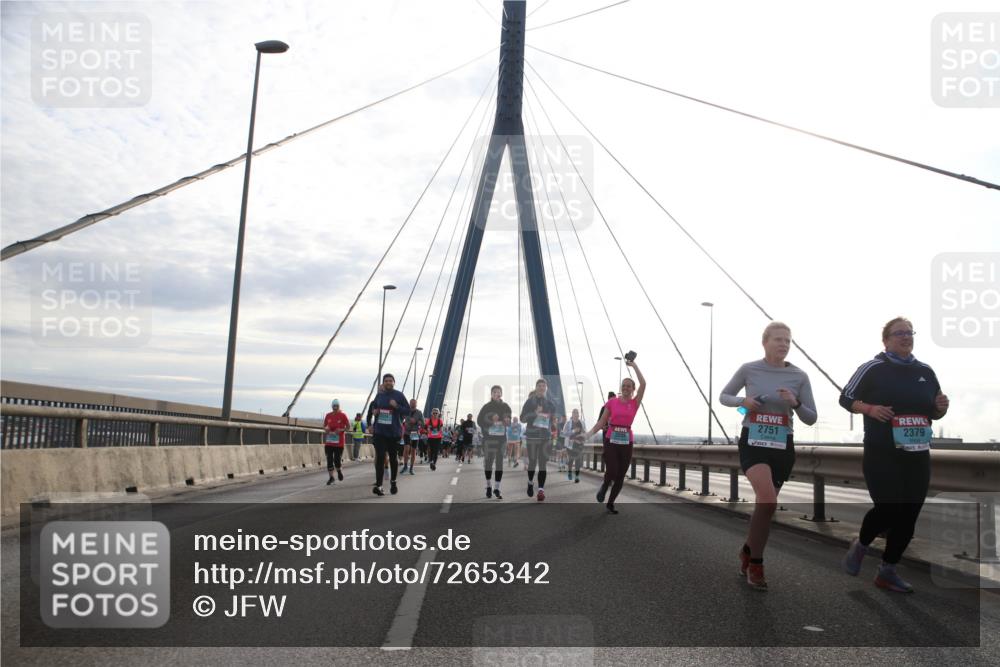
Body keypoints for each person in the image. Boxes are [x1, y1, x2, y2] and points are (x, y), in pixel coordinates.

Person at [839, 317, 948, 594]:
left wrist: (940, 408)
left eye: (910, 333)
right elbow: (846, 398)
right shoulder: (872, 368)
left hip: (917, 453)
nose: (906, 337)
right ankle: (861, 545)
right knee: (889, 508)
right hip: (882, 452)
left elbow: (934, 411)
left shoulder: (925, 371)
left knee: (909, 514)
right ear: (886, 340)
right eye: (899, 333)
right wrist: (869, 409)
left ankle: (888, 571)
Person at [719, 321, 817, 590]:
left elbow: (811, 417)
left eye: (788, 340)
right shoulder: (749, 369)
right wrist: (743, 402)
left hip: (782, 445)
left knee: (765, 507)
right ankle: (756, 563)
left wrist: (795, 403)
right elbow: (724, 396)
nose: (784, 344)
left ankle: (747, 551)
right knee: (768, 500)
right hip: (753, 442)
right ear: (765, 342)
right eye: (778, 339)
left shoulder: (799, 376)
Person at [585, 361, 646, 514]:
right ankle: (605, 485)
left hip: (626, 441)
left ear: (633, 389)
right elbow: (601, 422)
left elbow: (644, 384)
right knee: (612, 469)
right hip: (611, 439)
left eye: (628, 386)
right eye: (623, 385)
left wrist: (634, 365)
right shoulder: (612, 402)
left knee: (620, 475)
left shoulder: (635, 403)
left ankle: (610, 503)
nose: (625, 388)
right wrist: (587, 435)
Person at [368, 374, 410, 496]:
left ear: (394, 382)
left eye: (390, 381)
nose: (388, 382)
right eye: (386, 381)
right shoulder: (379, 395)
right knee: (380, 457)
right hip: (380, 432)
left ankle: (393, 482)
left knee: (393, 458)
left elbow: (407, 411)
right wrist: (374, 412)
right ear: (383, 382)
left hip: (393, 432)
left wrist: (396, 406)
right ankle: (379, 485)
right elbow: (373, 407)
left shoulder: (399, 395)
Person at [520, 378, 558, 501]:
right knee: (532, 462)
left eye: (543, 386)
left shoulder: (550, 404)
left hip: (545, 437)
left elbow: (553, 420)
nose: (541, 388)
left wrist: (553, 424)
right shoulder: (529, 402)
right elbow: (522, 418)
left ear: (546, 388)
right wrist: (534, 413)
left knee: (542, 464)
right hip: (532, 436)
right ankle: (530, 482)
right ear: (536, 387)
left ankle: (541, 490)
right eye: (539, 386)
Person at [477, 385, 512, 499]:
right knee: (488, 463)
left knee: (499, 463)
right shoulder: (486, 407)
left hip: (501, 439)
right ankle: (488, 486)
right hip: (489, 439)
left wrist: (507, 421)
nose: (497, 394)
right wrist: (490, 419)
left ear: (501, 394)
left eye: (499, 392)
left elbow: (509, 422)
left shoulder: (506, 407)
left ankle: (497, 488)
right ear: (491, 395)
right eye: (494, 392)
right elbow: (479, 421)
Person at [323, 399, 350, 485]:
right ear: (332, 406)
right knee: (329, 460)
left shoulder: (343, 415)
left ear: (339, 406)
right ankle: (331, 478)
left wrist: (341, 430)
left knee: (337, 460)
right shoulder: (328, 415)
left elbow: (348, 427)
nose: (335, 407)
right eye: (334, 406)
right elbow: (325, 426)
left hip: (339, 443)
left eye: (337, 406)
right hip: (329, 442)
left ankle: (339, 471)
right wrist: (326, 429)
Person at [564, 408, 586, 482]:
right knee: (571, 460)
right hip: (570, 444)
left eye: (577, 413)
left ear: (579, 414)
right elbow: (564, 433)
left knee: (578, 460)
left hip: (579, 444)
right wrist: (574, 431)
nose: (576, 414)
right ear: (572, 414)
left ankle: (577, 476)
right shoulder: (568, 423)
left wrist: (583, 433)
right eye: (574, 413)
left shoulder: (582, 422)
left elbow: (585, 432)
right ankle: (570, 472)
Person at [402, 399, 423, 475]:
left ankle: (411, 468)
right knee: (406, 449)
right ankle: (405, 466)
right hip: (407, 432)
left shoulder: (419, 413)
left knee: (413, 451)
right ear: (409, 403)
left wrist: (417, 422)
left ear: (416, 404)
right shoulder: (406, 411)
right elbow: (401, 418)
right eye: (411, 403)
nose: (413, 404)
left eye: (414, 403)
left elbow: (423, 423)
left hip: (415, 433)